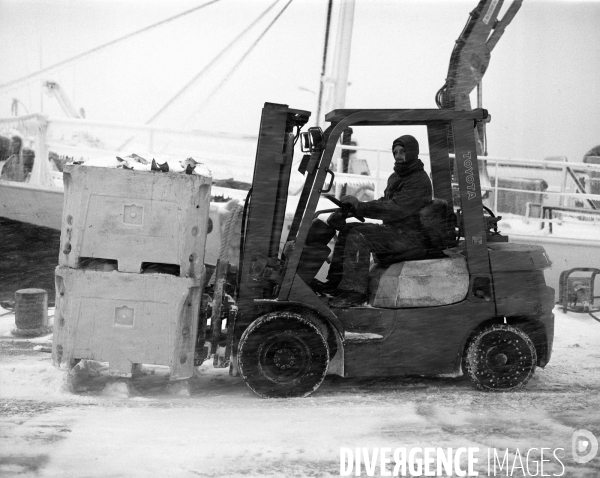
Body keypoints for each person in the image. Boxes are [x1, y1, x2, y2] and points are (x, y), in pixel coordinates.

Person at [325, 135, 433, 307]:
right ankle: (335, 283)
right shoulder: (397, 177)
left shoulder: (419, 180)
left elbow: (396, 209)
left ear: (412, 152)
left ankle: (354, 292)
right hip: (396, 232)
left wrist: (360, 207)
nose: (398, 155)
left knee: (358, 235)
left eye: (402, 151)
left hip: (411, 238)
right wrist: (353, 210)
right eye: (395, 152)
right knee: (348, 229)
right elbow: (385, 202)